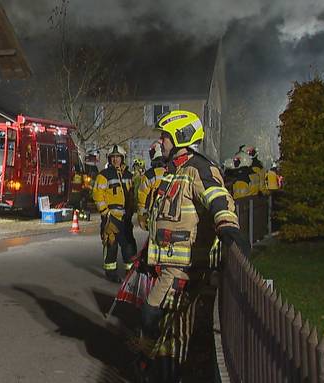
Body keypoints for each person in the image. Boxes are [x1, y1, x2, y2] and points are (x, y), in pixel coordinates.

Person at [138, 110, 249, 382]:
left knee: (155, 317)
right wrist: (147, 254)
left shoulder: (199, 169)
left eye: (165, 136)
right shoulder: (173, 172)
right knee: (163, 326)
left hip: (185, 270)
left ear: (180, 136)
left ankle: (159, 372)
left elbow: (219, 199)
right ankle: (156, 371)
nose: (160, 142)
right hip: (168, 268)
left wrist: (228, 228)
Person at [92, 144, 136, 282]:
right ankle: (111, 274)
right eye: (113, 157)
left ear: (122, 158)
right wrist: (105, 212)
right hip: (111, 217)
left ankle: (131, 272)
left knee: (129, 246)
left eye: (118, 157)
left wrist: (131, 211)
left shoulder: (129, 175)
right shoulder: (104, 175)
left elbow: (132, 195)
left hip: (125, 217)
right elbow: (97, 195)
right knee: (111, 245)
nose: (115, 159)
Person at [136, 140, 166, 230]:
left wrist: (141, 217)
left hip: (155, 215)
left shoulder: (150, 175)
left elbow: (142, 197)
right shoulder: (174, 170)